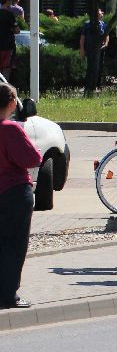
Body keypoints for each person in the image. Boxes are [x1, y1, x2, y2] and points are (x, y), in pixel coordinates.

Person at [0, 83, 42, 309]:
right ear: (10, 103)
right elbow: (33, 158)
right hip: (14, 191)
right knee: (14, 245)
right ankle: (8, 295)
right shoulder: (10, 129)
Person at [79, 8, 110, 88]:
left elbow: (107, 35)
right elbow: (83, 37)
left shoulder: (103, 24)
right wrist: (82, 49)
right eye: (99, 13)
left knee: (100, 66)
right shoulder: (87, 24)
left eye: (100, 13)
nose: (100, 14)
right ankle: (89, 85)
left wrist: (106, 43)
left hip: (101, 49)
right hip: (90, 49)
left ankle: (98, 85)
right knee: (90, 66)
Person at [0, 0, 17, 80]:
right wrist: (11, 29)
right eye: (10, 0)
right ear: (7, 1)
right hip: (8, 46)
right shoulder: (9, 14)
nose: (11, 2)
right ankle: (5, 90)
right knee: (6, 69)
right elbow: (17, 30)